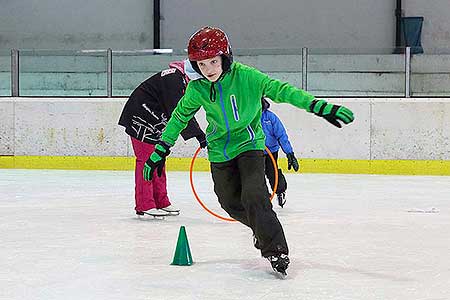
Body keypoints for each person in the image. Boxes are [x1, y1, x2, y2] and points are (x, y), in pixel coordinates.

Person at [143, 26, 354, 276]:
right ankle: (260, 229)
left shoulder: (247, 77)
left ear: (225, 57)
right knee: (229, 203)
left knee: (255, 196)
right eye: (201, 64)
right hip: (220, 151)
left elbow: (283, 90)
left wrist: (318, 106)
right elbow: (179, 117)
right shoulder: (197, 88)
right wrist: (161, 148)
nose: (208, 69)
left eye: (213, 61)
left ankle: (275, 249)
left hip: (250, 145)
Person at [118, 60, 206, 217]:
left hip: (156, 122)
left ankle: (161, 201)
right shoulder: (173, 79)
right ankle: (144, 203)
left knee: (159, 159)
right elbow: (178, 110)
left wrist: (199, 135)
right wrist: (199, 135)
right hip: (140, 118)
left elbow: (183, 111)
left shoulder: (182, 80)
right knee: (147, 161)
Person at [261, 97, 299, 208]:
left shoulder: (270, 117)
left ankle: (280, 191)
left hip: (271, 151)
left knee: (272, 172)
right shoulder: (247, 116)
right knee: (256, 174)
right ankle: (262, 197)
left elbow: (281, 135)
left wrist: (289, 153)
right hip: (254, 151)